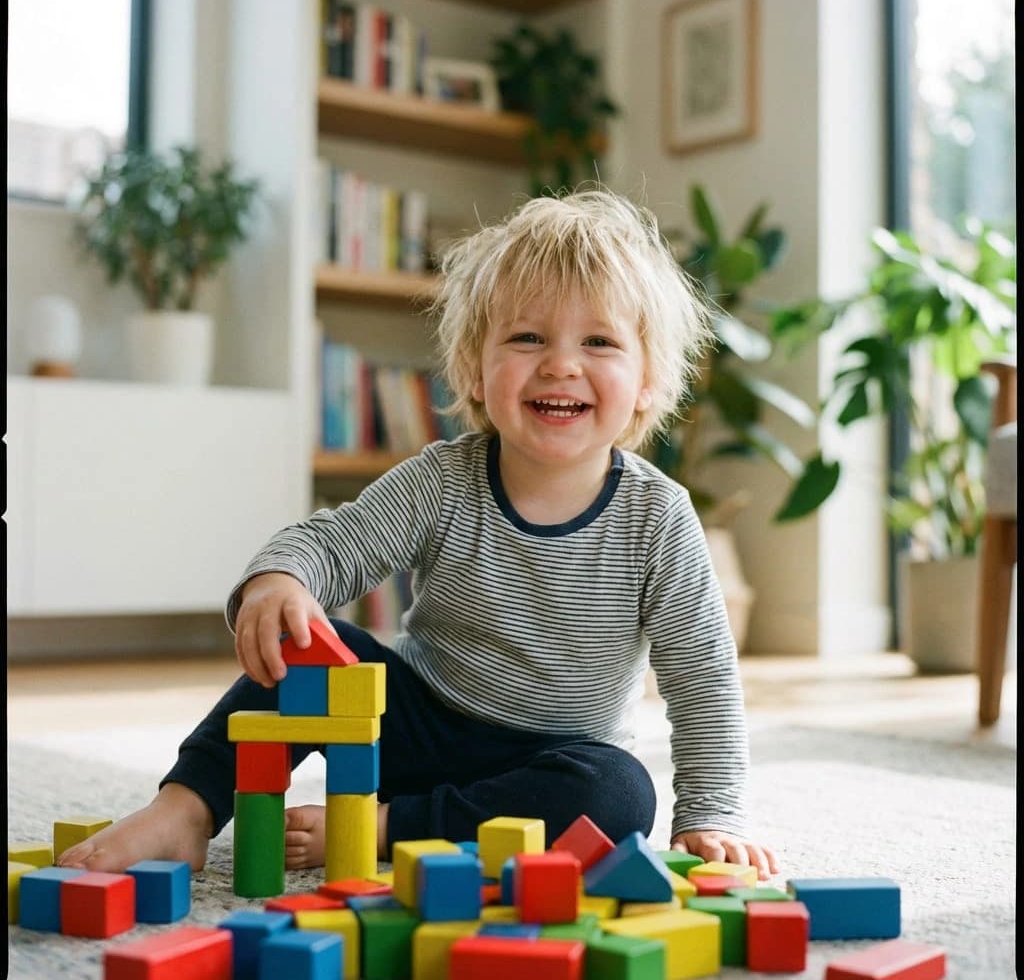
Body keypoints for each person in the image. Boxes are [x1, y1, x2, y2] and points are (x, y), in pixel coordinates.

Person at [58, 186, 779, 882]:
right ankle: (183, 808)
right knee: (315, 653)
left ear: (649, 381)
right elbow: (336, 543)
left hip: (551, 763)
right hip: (413, 726)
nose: (562, 363)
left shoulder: (659, 517)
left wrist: (713, 814)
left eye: (599, 342)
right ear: (473, 370)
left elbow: (703, 678)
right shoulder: (443, 479)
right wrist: (282, 579)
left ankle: (389, 827)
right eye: (527, 337)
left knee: (621, 795)